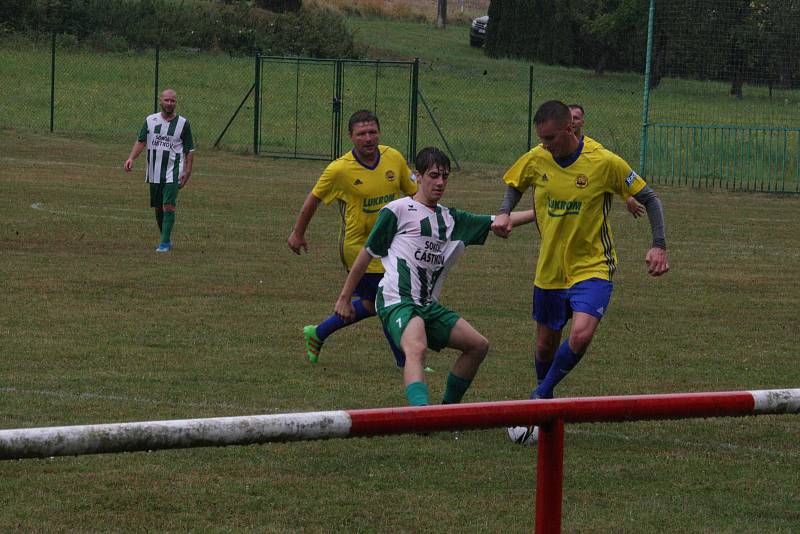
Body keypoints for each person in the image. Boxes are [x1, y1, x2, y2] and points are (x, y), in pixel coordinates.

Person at [492, 100, 669, 438]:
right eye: (541, 139)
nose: (545, 145)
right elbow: (515, 182)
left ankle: (539, 398)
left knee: (582, 334)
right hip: (550, 269)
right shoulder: (537, 158)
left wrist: (659, 245)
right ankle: (546, 404)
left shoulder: (603, 162)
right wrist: (503, 211)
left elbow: (650, 198)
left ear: (570, 129)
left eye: (551, 138)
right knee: (544, 346)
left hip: (593, 265)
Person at [334, 147, 534, 406]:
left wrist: (541, 212)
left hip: (427, 305)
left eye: (445, 176)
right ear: (418, 176)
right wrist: (344, 298)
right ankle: (421, 417)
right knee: (416, 349)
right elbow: (366, 254)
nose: (440, 182)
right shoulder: (398, 210)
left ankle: (447, 411)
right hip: (398, 299)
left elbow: (501, 220)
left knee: (478, 346)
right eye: (434, 175)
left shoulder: (451, 219)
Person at [288, 110, 417, 368]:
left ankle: (319, 333)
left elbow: (413, 193)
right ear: (351, 137)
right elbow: (313, 198)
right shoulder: (339, 170)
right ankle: (406, 361)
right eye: (361, 134)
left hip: (393, 245)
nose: (368, 138)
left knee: (372, 303)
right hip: (359, 249)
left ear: (379, 133)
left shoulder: (394, 158)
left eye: (372, 132)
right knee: (387, 300)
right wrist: (298, 233)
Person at [124, 88, 194, 253]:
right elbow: (141, 141)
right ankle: (166, 238)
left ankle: (163, 244)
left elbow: (189, 150)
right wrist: (131, 158)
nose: (169, 103)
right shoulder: (150, 120)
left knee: (168, 205)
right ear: (160, 101)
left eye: (173, 101)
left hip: (173, 171)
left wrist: (187, 171)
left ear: (176, 102)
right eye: (167, 100)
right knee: (158, 207)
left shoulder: (183, 123)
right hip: (154, 171)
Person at [568, 103, 645, 218]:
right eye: (569, 118)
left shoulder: (593, 149)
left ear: (582, 123)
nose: (572, 121)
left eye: (576, 118)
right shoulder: (552, 147)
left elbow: (606, 174)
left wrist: (627, 197)